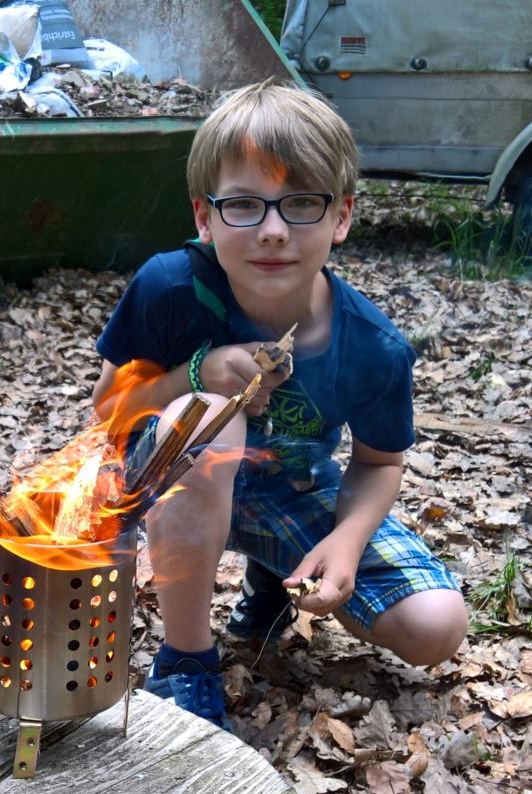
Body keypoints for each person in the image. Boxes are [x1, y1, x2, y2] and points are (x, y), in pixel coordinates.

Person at [91, 79, 468, 728]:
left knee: (436, 624)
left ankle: (271, 578)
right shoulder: (169, 287)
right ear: (204, 218)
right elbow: (107, 410)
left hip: (283, 490)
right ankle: (186, 664)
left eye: (299, 204)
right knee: (212, 418)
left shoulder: (371, 345)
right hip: (155, 484)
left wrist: (347, 543)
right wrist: (195, 373)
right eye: (243, 205)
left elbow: (379, 463)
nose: (271, 231)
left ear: (341, 216)